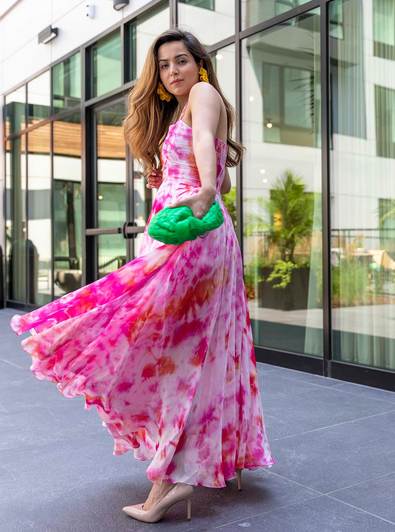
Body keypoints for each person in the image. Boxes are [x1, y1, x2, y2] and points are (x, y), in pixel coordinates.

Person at [10, 28, 275, 524]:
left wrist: (196, 191)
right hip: (188, 230)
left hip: (193, 234)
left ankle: (172, 478)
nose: (174, 71)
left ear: (200, 64)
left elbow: (204, 153)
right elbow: (224, 173)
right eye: (165, 65)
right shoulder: (188, 105)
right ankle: (208, 457)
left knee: (172, 347)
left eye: (181, 61)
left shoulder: (201, 94)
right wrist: (175, 178)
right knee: (196, 345)